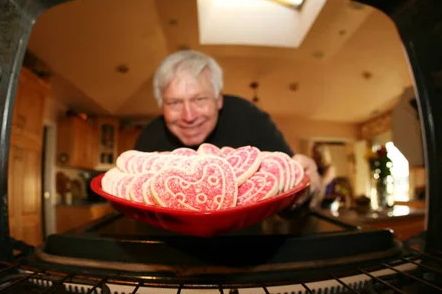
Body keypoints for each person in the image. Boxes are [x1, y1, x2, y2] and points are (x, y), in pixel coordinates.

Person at [134, 50, 324, 208]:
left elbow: (290, 189)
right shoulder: (149, 139)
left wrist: (309, 189)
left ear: (219, 100)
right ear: (161, 106)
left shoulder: (249, 118)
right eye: (174, 102)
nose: (189, 116)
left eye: (199, 99)